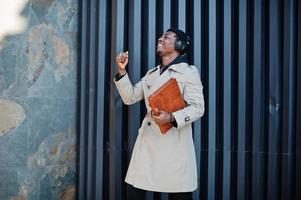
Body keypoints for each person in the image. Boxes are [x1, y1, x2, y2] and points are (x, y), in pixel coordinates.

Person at [114, 28, 205, 200]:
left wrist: (171, 118)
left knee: (178, 194)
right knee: (134, 193)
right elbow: (130, 97)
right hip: (147, 147)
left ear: (180, 44)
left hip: (174, 150)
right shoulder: (152, 74)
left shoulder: (188, 72)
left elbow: (198, 108)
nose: (160, 39)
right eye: (161, 36)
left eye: (167, 37)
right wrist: (122, 71)